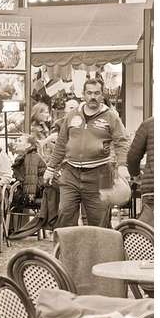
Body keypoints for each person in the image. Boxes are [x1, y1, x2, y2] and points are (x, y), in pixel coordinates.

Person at [43, 78, 130, 227]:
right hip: (71, 172)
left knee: (100, 220)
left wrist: (122, 165)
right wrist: (50, 168)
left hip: (102, 173)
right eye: (89, 93)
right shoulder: (72, 115)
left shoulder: (111, 116)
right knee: (65, 213)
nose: (93, 97)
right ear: (83, 94)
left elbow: (122, 142)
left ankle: (99, 250)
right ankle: (65, 250)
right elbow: (61, 143)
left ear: (102, 95)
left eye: (97, 93)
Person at [127, 116, 153, 225]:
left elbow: (133, 157)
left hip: (152, 189)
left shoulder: (149, 124)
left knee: (150, 233)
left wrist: (136, 175)